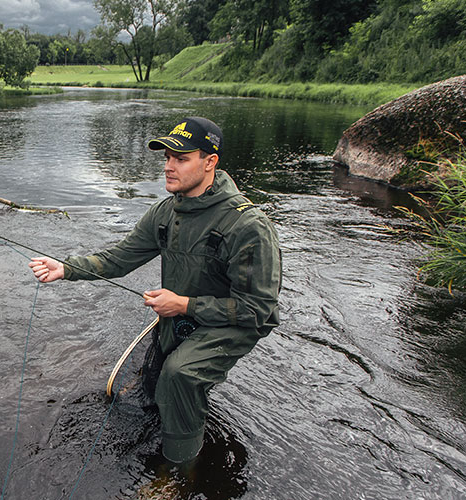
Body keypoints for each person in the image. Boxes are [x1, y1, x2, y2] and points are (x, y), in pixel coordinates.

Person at [29, 116, 281, 464]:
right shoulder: (166, 212)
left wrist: (183, 304)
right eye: (166, 158)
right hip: (181, 312)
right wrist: (66, 268)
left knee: (180, 375)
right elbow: (119, 258)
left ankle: (179, 471)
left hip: (234, 322)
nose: (168, 167)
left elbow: (258, 311)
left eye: (181, 158)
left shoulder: (248, 225)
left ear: (210, 162)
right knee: (153, 385)